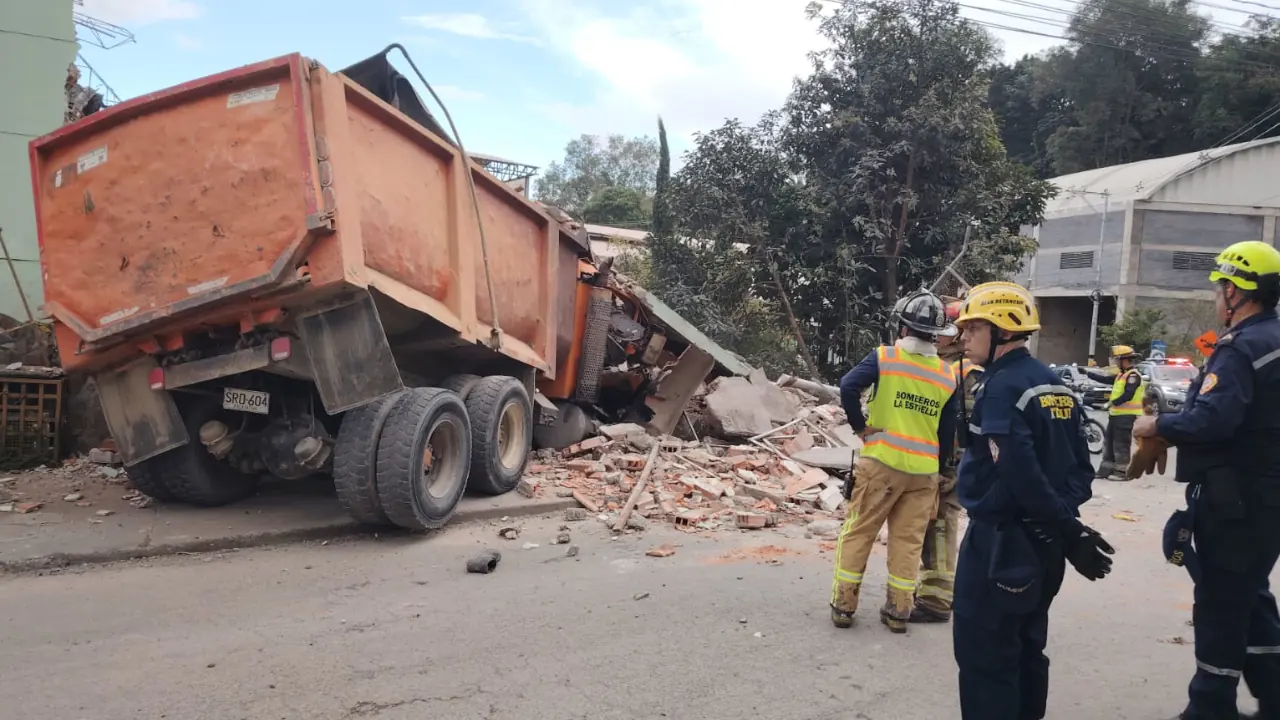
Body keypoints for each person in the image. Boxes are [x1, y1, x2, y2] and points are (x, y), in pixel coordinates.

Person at [950, 281, 1116, 720]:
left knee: (986, 656)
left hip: (1002, 543)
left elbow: (1018, 472)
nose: (964, 338)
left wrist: (1064, 526)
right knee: (1026, 648)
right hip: (1043, 546)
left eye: (972, 328)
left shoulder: (1001, 389)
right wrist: (1064, 526)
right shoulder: (1054, 384)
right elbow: (1082, 468)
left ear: (1001, 329)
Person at [1131, 240, 1280, 720]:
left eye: (1221, 287)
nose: (1217, 296)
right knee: (1251, 596)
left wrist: (1157, 426)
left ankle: (1210, 708)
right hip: (1267, 500)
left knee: (1219, 603)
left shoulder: (1240, 349)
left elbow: (1213, 420)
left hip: (1236, 500)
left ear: (1237, 292)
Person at [831, 289, 960, 633]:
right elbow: (948, 432)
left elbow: (847, 387)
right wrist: (944, 468)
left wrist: (861, 428)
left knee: (858, 532)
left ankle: (844, 606)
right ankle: (899, 613)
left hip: (882, 463)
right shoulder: (948, 375)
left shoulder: (884, 358)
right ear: (937, 335)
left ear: (902, 328)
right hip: (923, 474)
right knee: (907, 543)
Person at [912, 299, 982, 624]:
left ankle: (936, 599)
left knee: (940, 524)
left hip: (949, 463)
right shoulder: (951, 367)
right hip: (945, 459)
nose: (934, 337)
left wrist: (946, 468)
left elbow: (957, 424)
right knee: (936, 524)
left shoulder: (963, 372)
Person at [1085, 345, 1145, 481]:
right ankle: (1105, 469)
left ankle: (1122, 472)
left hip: (1126, 415)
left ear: (1125, 360)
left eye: (1118, 360)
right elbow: (1106, 379)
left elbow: (1128, 394)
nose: (1116, 363)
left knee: (1121, 443)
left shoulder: (1133, 376)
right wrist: (1087, 373)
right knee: (1109, 442)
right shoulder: (1121, 374)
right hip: (1116, 414)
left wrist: (1112, 403)